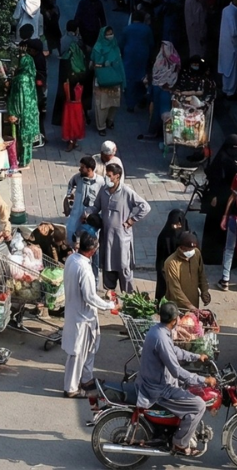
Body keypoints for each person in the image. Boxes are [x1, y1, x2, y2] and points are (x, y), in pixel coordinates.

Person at [139, 303, 215, 459]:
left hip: (156, 381)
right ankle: (180, 443)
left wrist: (196, 357)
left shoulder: (158, 330)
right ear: (173, 321)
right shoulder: (161, 338)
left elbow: (175, 351)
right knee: (199, 405)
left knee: (188, 389)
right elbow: (176, 371)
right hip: (159, 389)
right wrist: (203, 380)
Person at [60, 230, 119, 398]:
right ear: (92, 250)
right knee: (77, 353)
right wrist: (108, 305)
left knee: (90, 349)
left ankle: (86, 378)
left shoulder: (72, 259)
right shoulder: (84, 269)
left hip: (78, 312)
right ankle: (71, 388)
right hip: (82, 317)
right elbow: (90, 296)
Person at [86, 162, 150, 291]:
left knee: (123, 266)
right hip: (106, 236)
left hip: (121, 238)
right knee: (108, 266)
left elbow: (145, 207)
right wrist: (87, 213)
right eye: (106, 175)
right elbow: (96, 206)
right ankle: (111, 294)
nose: (107, 178)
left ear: (117, 176)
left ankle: (128, 295)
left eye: (109, 176)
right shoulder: (103, 191)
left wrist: (132, 220)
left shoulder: (126, 192)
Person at [201, 134, 237, 261]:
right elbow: (215, 178)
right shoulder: (224, 159)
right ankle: (213, 257)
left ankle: (230, 258)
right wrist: (214, 195)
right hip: (221, 199)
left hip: (233, 199)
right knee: (217, 227)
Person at [7, 40, 43, 165]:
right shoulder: (30, 76)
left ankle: (20, 160)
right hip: (31, 111)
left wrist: (13, 112)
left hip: (22, 111)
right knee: (27, 138)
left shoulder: (19, 79)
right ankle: (26, 160)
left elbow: (16, 98)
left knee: (21, 137)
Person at [161, 231, 210, 312]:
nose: (191, 252)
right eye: (188, 249)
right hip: (177, 306)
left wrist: (204, 291)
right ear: (181, 247)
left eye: (193, 249)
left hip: (194, 302)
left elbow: (201, 274)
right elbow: (175, 289)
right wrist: (190, 306)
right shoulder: (171, 262)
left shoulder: (197, 254)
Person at [91, 26, 125, 134]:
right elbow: (94, 64)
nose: (110, 35)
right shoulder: (98, 47)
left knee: (113, 102)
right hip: (102, 80)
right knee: (102, 105)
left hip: (115, 79)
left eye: (111, 33)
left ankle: (110, 120)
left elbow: (119, 63)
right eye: (108, 34)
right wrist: (104, 64)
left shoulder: (115, 45)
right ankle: (101, 126)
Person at [152, 210, 190, 304]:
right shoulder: (163, 237)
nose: (174, 227)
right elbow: (160, 259)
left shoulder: (188, 238)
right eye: (173, 224)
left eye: (178, 225)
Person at [64, 156, 103, 241]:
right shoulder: (77, 178)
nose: (80, 169)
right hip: (75, 214)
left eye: (82, 167)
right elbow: (70, 185)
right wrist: (69, 196)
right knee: (70, 236)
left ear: (89, 169)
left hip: (90, 218)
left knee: (89, 240)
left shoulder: (101, 182)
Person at [216, 0, 237, 99]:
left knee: (227, 68)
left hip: (225, 44)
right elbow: (234, 32)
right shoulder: (233, 13)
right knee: (232, 70)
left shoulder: (226, 10)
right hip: (231, 45)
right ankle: (230, 92)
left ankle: (226, 89)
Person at [59, 74, 87, 151]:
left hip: (75, 103)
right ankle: (72, 140)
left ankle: (73, 140)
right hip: (72, 103)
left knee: (74, 122)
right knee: (71, 121)